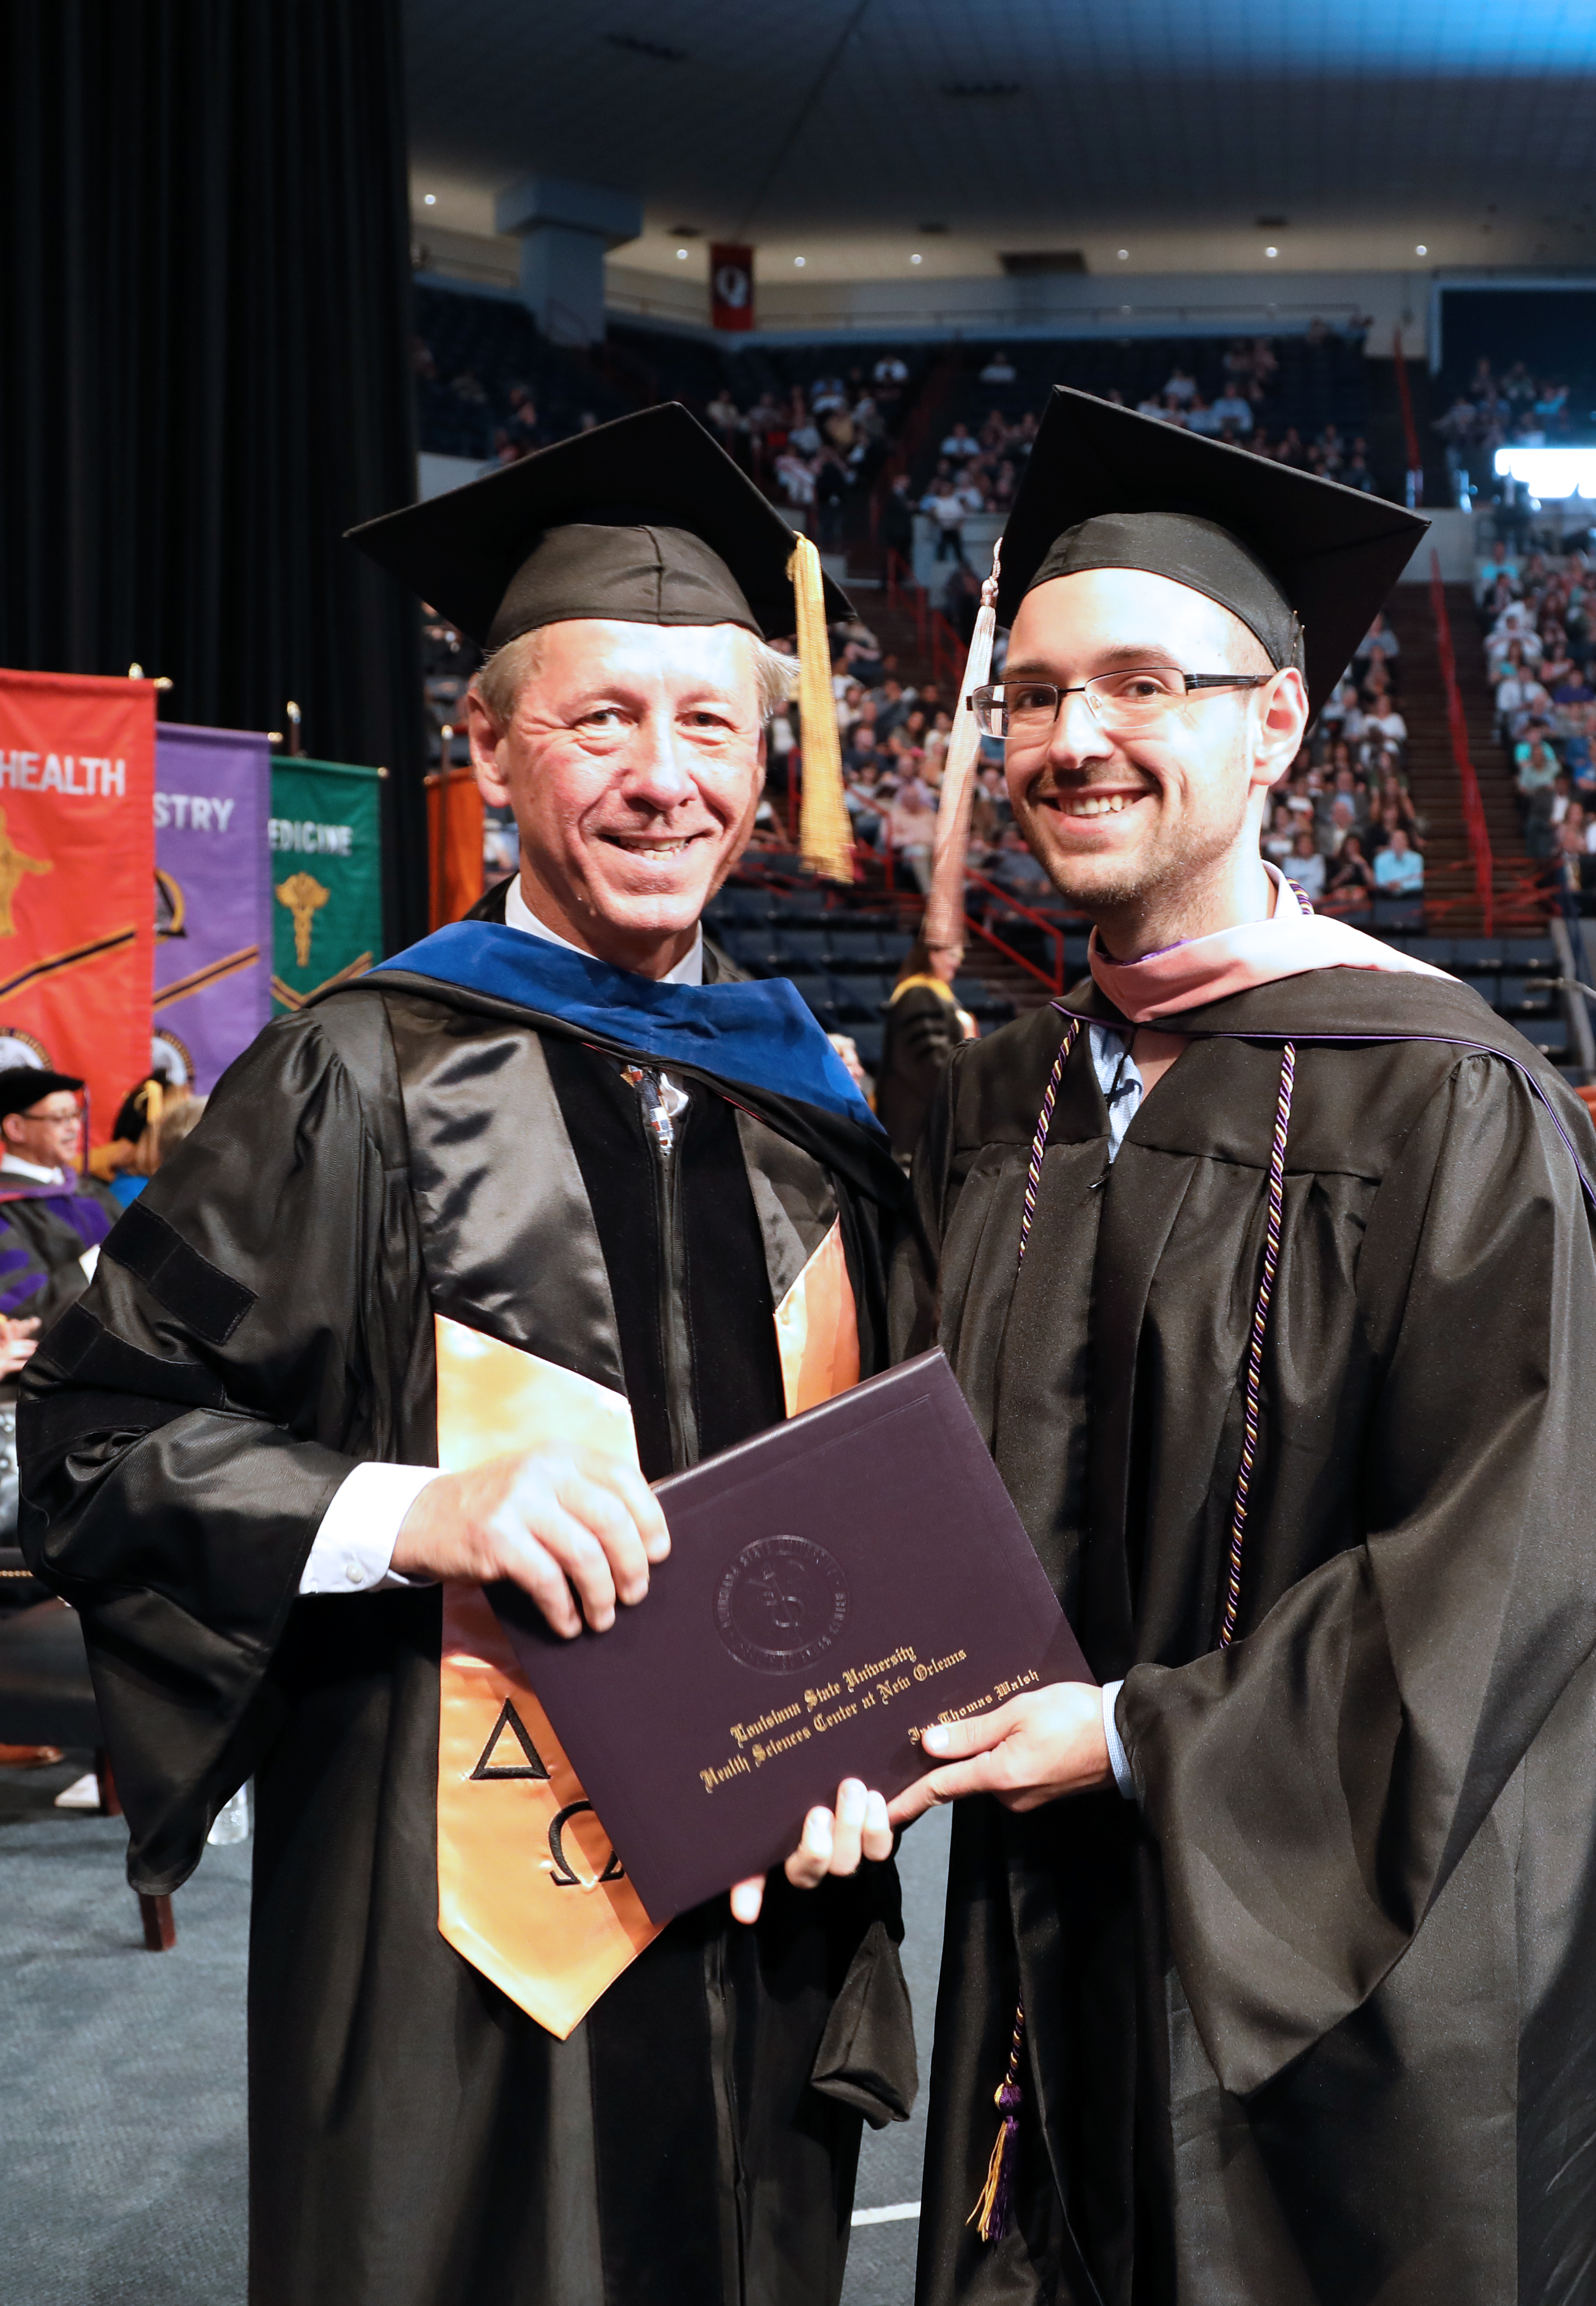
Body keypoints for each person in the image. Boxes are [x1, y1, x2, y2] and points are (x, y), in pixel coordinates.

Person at [21, 406, 915, 2306]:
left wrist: (878, 1747)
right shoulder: (361, 1074)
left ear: (769, 759)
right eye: (600, 720)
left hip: (757, 1908)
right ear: (492, 745)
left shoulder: (813, 1109)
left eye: (707, 726)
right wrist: (412, 1507)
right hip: (458, 1935)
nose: (663, 779)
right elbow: (96, 1437)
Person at [886, 391, 1596, 2304]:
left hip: (1347, 1978)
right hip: (1053, 1933)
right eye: (1032, 696)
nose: (1073, 739)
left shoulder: (1445, 1101)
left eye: (1141, 682)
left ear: (1274, 723)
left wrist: (1138, 1738)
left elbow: (1514, 1553)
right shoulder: (1007, 1098)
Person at [0, 1067, 120, 1327]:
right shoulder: (6, 1210)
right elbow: (27, 1310)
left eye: (76, 1115)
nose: (75, 1127)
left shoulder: (91, 1191)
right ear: (16, 1128)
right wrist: (102, 1261)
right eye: (59, 1118)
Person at [876, 935, 974, 1162]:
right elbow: (932, 1059)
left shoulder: (936, 995)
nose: (958, 962)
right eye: (952, 954)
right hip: (915, 1124)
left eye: (960, 955)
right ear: (932, 954)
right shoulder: (919, 995)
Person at [1372, 820, 1424, 893]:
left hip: (1409, 895)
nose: (1398, 844)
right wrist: (1390, 885)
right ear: (1390, 843)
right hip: (1387, 895)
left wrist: (1401, 885)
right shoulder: (1380, 859)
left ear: (1407, 843)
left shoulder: (1416, 859)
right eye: (1396, 841)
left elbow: (1418, 883)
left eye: (1401, 841)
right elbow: (1379, 882)